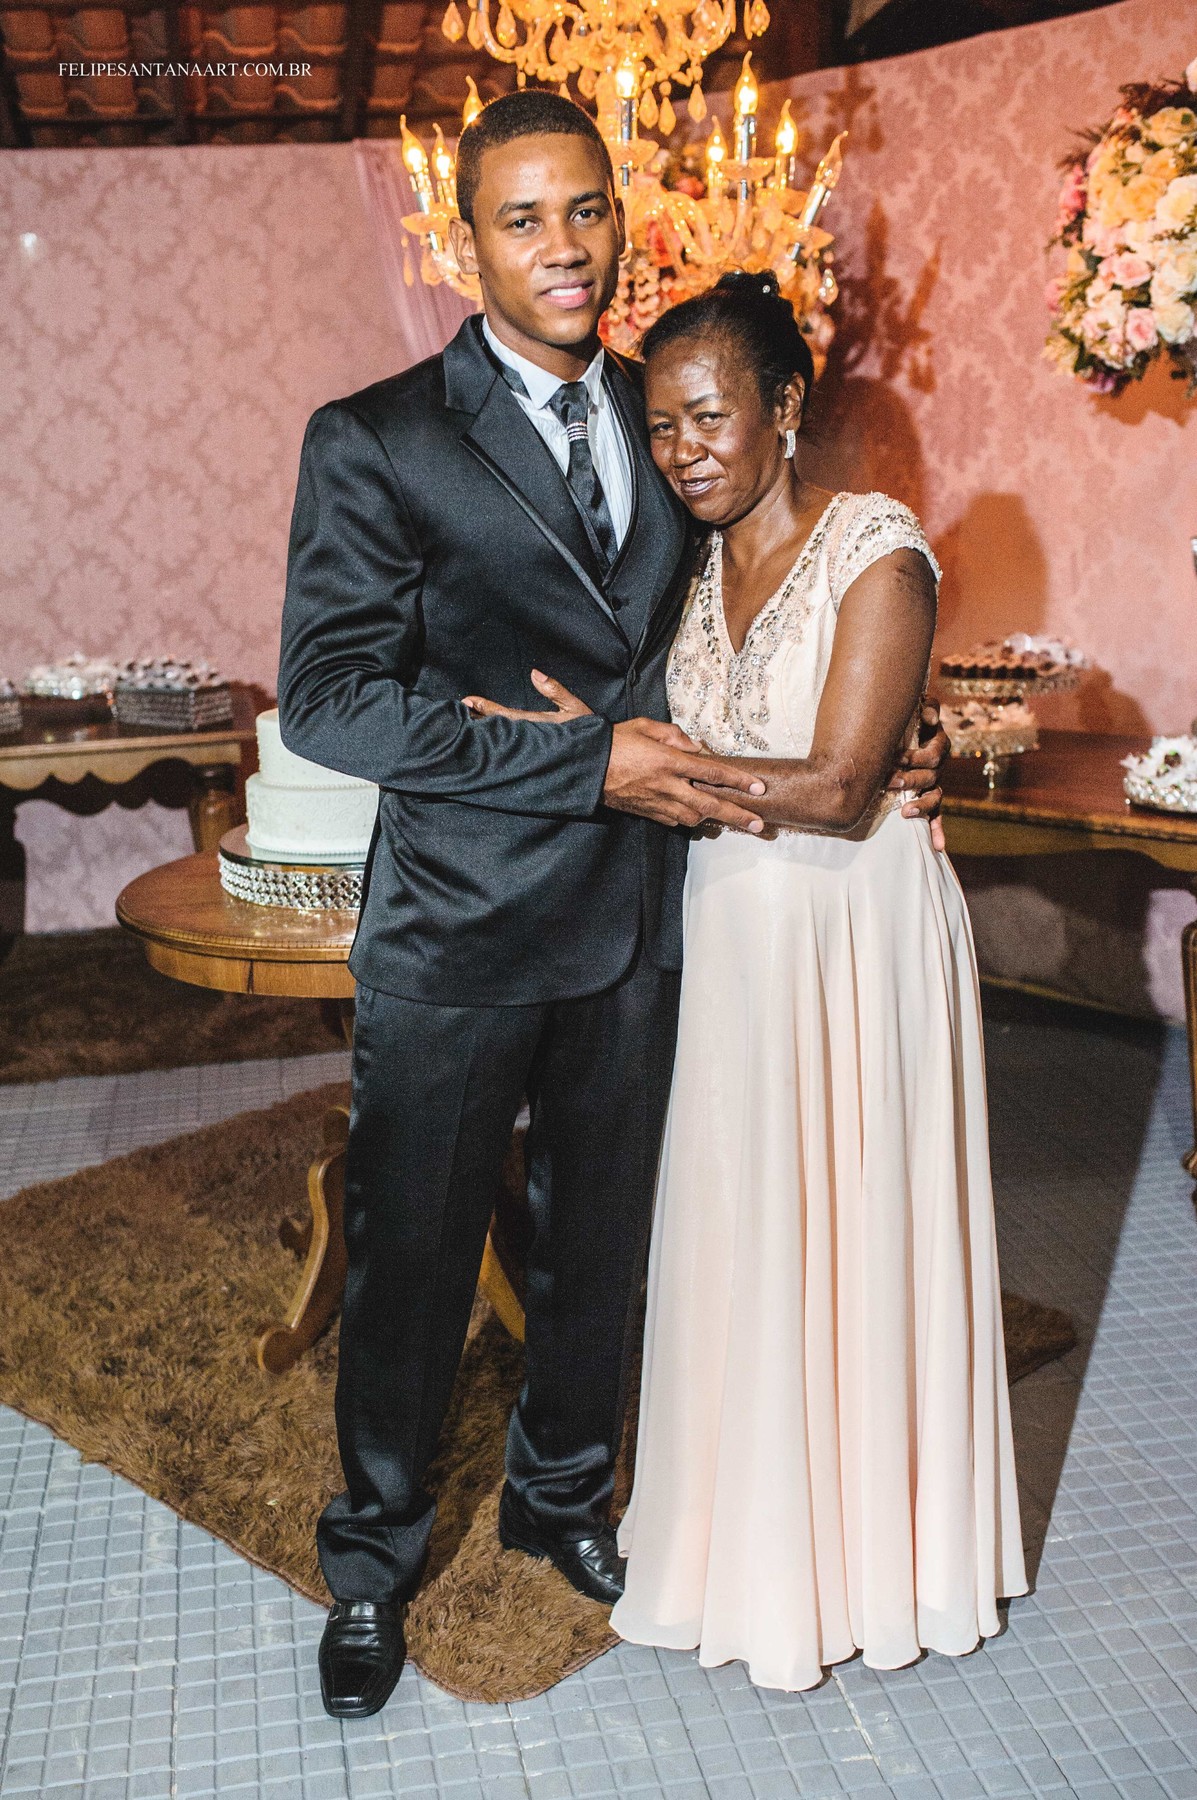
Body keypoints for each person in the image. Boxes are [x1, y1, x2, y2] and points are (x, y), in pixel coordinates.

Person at [278, 93, 948, 1720]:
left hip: (654, 918)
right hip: (456, 927)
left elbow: (767, 600)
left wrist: (884, 731)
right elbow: (329, 702)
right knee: (413, 1253)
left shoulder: (675, 409)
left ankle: (562, 1497)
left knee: (603, 1252)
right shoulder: (376, 435)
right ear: (466, 242)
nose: (562, 247)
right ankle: (370, 1559)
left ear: (616, 215)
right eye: (522, 220)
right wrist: (581, 769)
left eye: (584, 210)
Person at [605, 272, 1029, 1690]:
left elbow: (848, 786)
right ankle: (748, 1552)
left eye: (710, 415)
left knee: (853, 1222)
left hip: (852, 934)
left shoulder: (875, 550)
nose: (684, 450)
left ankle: (876, 1559)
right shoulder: (685, 570)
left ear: (785, 408)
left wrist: (648, 775)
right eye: (661, 426)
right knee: (744, 1231)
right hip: (735, 936)